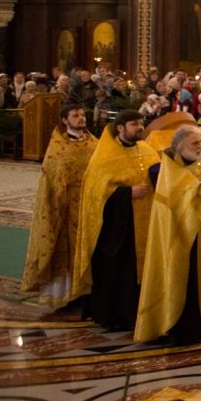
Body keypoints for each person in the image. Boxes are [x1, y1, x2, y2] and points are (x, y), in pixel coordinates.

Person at [135, 126, 201, 344]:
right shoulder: (168, 172)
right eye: (195, 143)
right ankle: (182, 327)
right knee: (185, 280)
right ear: (180, 146)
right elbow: (175, 204)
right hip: (181, 238)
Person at [73, 110, 156, 331]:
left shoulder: (147, 150)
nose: (140, 127)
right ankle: (116, 315)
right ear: (120, 128)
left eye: (141, 123)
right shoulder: (105, 155)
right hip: (118, 230)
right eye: (134, 124)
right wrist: (126, 193)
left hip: (145, 223)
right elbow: (95, 193)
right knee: (121, 271)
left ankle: (141, 314)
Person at [22, 104, 98, 308]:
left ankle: (88, 292)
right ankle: (66, 296)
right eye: (76, 116)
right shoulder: (57, 147)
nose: (81, 118)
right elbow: (51, 178)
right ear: (65, 120)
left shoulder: (95, 144)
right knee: (65, 250)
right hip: (64, 208)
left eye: (83, 115)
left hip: (90, 206)